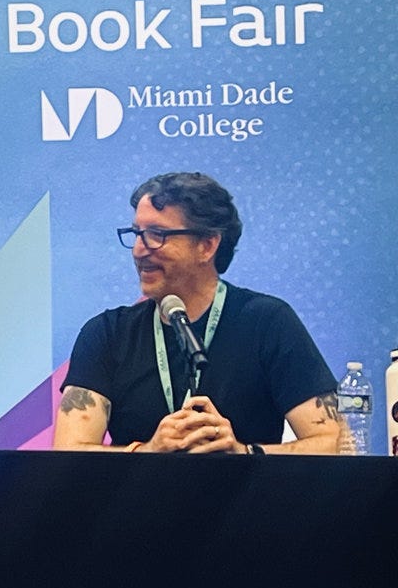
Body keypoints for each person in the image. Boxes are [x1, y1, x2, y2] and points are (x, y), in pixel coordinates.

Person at [54, 171, 340, 454]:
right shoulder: (107, 333)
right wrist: (148, 452)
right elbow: (67, 453)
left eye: (156, 235)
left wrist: (243, 453)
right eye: (137, 234)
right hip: (140, 487)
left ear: (207, 245)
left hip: (244, 486)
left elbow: (335, 443)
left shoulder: (268, 322)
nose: (139, 250)